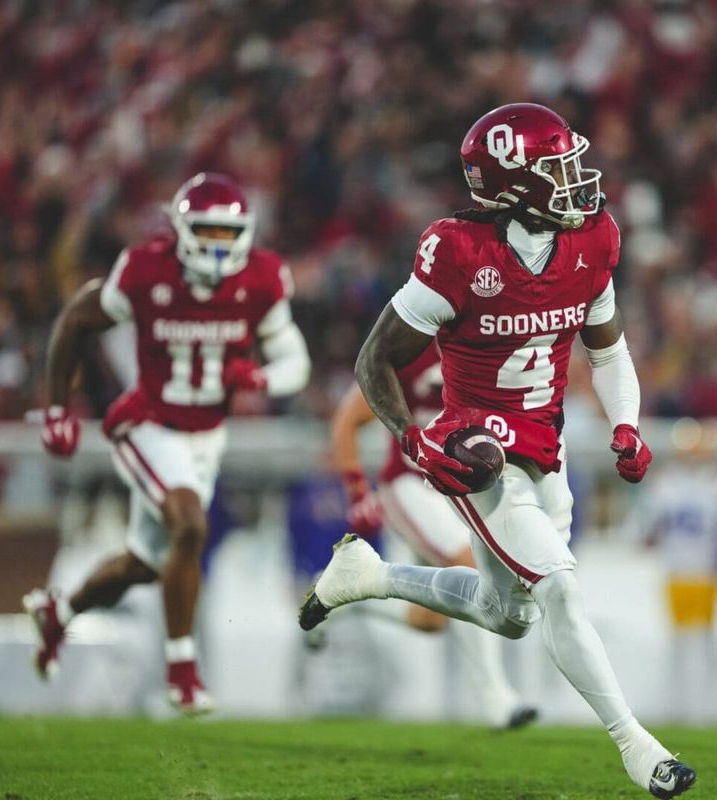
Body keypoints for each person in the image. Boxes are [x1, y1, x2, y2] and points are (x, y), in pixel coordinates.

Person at [298, 103, 695, 798]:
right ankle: (640, 748)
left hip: (547, 446)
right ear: (515, 183)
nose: (575, 178)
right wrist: (414, 439)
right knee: (561, 588)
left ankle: (371, 577)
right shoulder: (459, 251)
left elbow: (610, 350)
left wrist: (626, 422)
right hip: (477, 447)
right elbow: (373, 362)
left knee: (507, 615)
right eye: (557, 168)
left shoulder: (593, 238)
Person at [24, 173, 311, 714]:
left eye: (229, 235)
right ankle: (182, 673)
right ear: (181, 231)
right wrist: (59, 406)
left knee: (145, 562)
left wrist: (261, 380)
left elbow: (295, 361)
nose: (219, 246)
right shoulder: (145, 270)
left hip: (208, 436)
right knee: (190, 525)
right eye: (207, 232)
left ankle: (60, 612)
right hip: (147, 424)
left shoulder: (262, 279)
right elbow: (75, 320)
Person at [325, 343, 536, 729]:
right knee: (472, 568)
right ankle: (494, 696)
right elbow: (346, 421)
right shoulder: (410, 347)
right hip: (410, 484)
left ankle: (350, 596)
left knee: (430, 620)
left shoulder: (491, 346)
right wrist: (357, 489)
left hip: (460, 493)